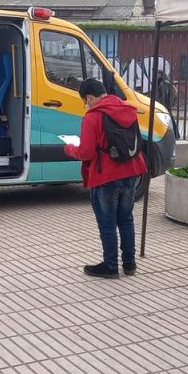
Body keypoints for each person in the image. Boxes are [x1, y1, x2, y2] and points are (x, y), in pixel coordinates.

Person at [64, 78, 148, 279]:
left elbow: (86, 152)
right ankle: (129, 263)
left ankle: (110, 266)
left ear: (90, 97)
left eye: (85, 101)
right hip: (131, 171)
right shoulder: (128, 109)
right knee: (126, 219)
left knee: (107, 222)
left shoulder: (92, 117)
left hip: (106, 176)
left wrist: (69, 148)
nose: (86, 104)